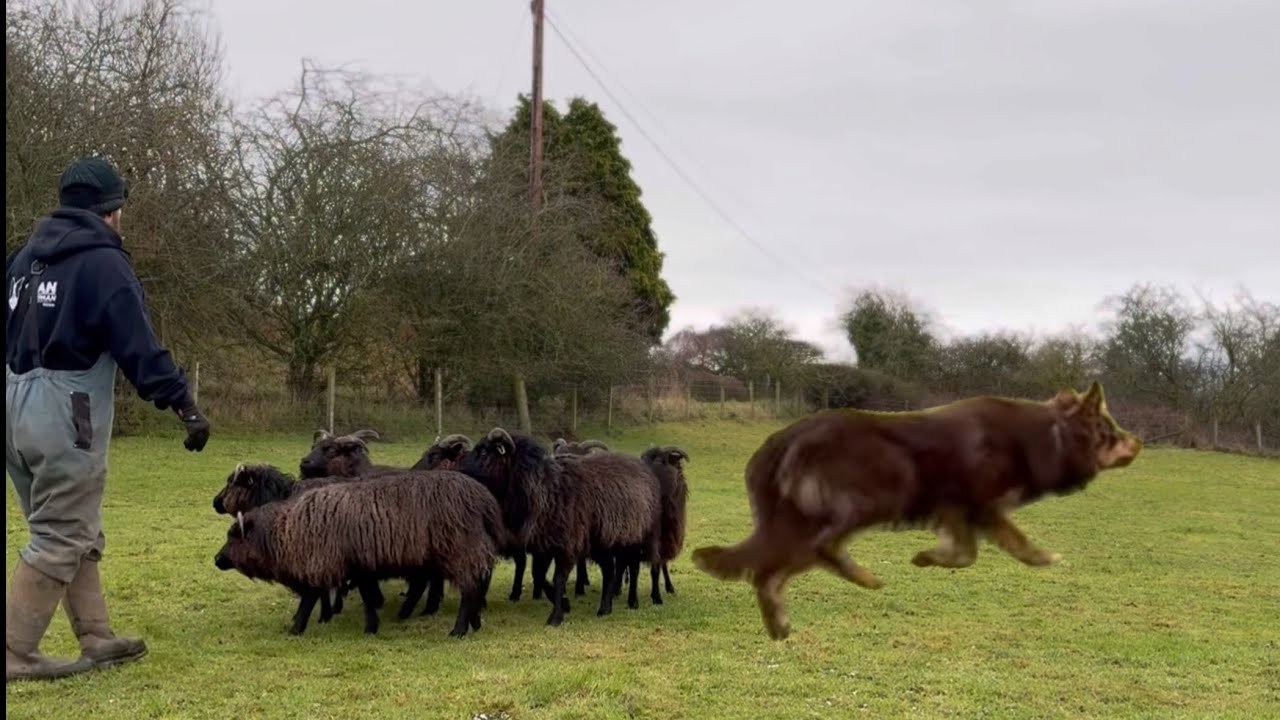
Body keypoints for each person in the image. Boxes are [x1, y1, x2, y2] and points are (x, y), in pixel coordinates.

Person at [5, 155, 211, 683]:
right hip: (63, 412)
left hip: (12, 406)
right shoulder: (103, 263)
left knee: (73, 528)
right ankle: (14, 651)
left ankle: (96, 637)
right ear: (112, 211)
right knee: (61, 533)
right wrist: (182, 403)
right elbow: (136, 345)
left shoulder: (24, 260)